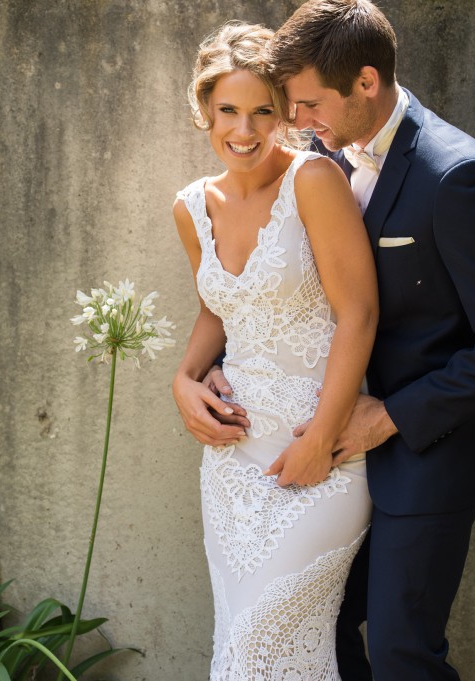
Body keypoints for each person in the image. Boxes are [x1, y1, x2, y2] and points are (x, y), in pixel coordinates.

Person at [195, 2, 475, 679]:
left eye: (305, 104)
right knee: (316, 631)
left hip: (427, 445)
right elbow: (275, 283)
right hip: (323, 445)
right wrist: (203, 370)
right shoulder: (326, 151)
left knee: (399, 650)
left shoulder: (458, 176)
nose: (295, 124)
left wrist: (388, 415)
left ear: (365, 82)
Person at [171, 21, 379, 679]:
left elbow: (359, 313)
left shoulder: (314, 180)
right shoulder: (190, 206)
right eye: (228, 109)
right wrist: (183, 380)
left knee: (261, 644)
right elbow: (219, 305)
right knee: (238, 642)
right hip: (232, 464)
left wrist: (321, 437)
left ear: (286, 113)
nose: (245, 128)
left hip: (321, 453)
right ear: (205, 108)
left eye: (264, 110)